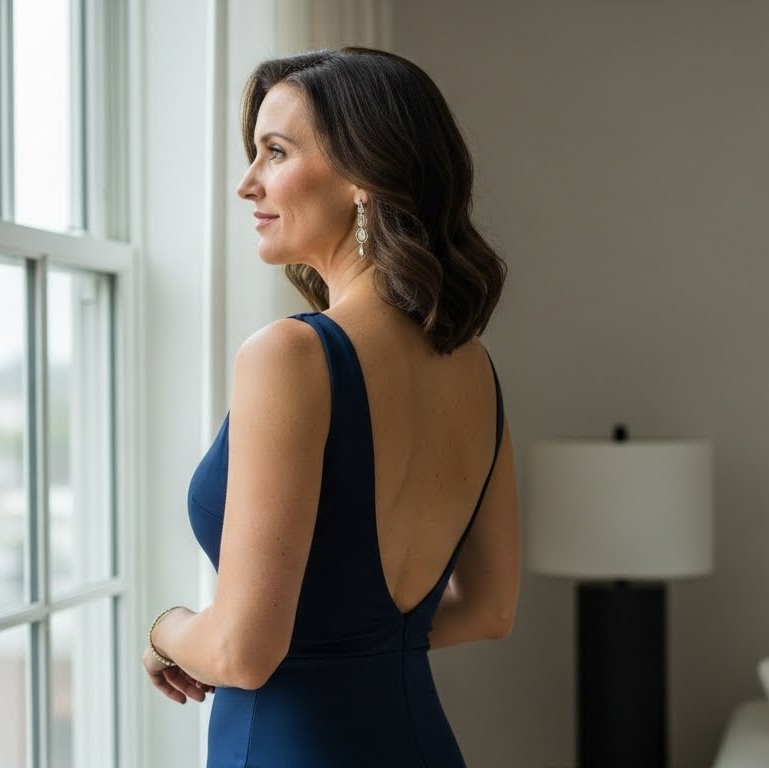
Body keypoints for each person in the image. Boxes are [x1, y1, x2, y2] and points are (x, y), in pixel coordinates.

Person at [143, 46, 520, 767]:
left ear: (364, 177)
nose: (246, 184)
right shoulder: (474, 367)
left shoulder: (289, 355)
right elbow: (488, 610)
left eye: (274, 152)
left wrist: (166, 631)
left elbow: (243, 654)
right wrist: (355, 646)